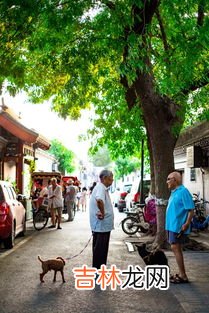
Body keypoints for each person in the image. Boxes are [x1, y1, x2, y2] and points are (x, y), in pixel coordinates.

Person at [165, 171, 194, 283]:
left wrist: (186, 223)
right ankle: (182, 274)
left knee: (175, 247)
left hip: (178, 226)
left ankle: (183, 275)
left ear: (175, 180)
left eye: (169, 179)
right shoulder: (174, 192)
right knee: (175, 247)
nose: (167, 181)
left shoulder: (183, 191)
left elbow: (191, 210)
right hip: (171, 225)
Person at [89, 170, 114, 269]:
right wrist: (103, 213)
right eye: (111, 178)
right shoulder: (101, 188)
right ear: (104, 178)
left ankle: (99, 269)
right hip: (101, 226)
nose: (112, 180)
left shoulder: (101, 188)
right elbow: (99, 200)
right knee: (100, 250)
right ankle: (98, 270)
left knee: (100, 249)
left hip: (101, 226)